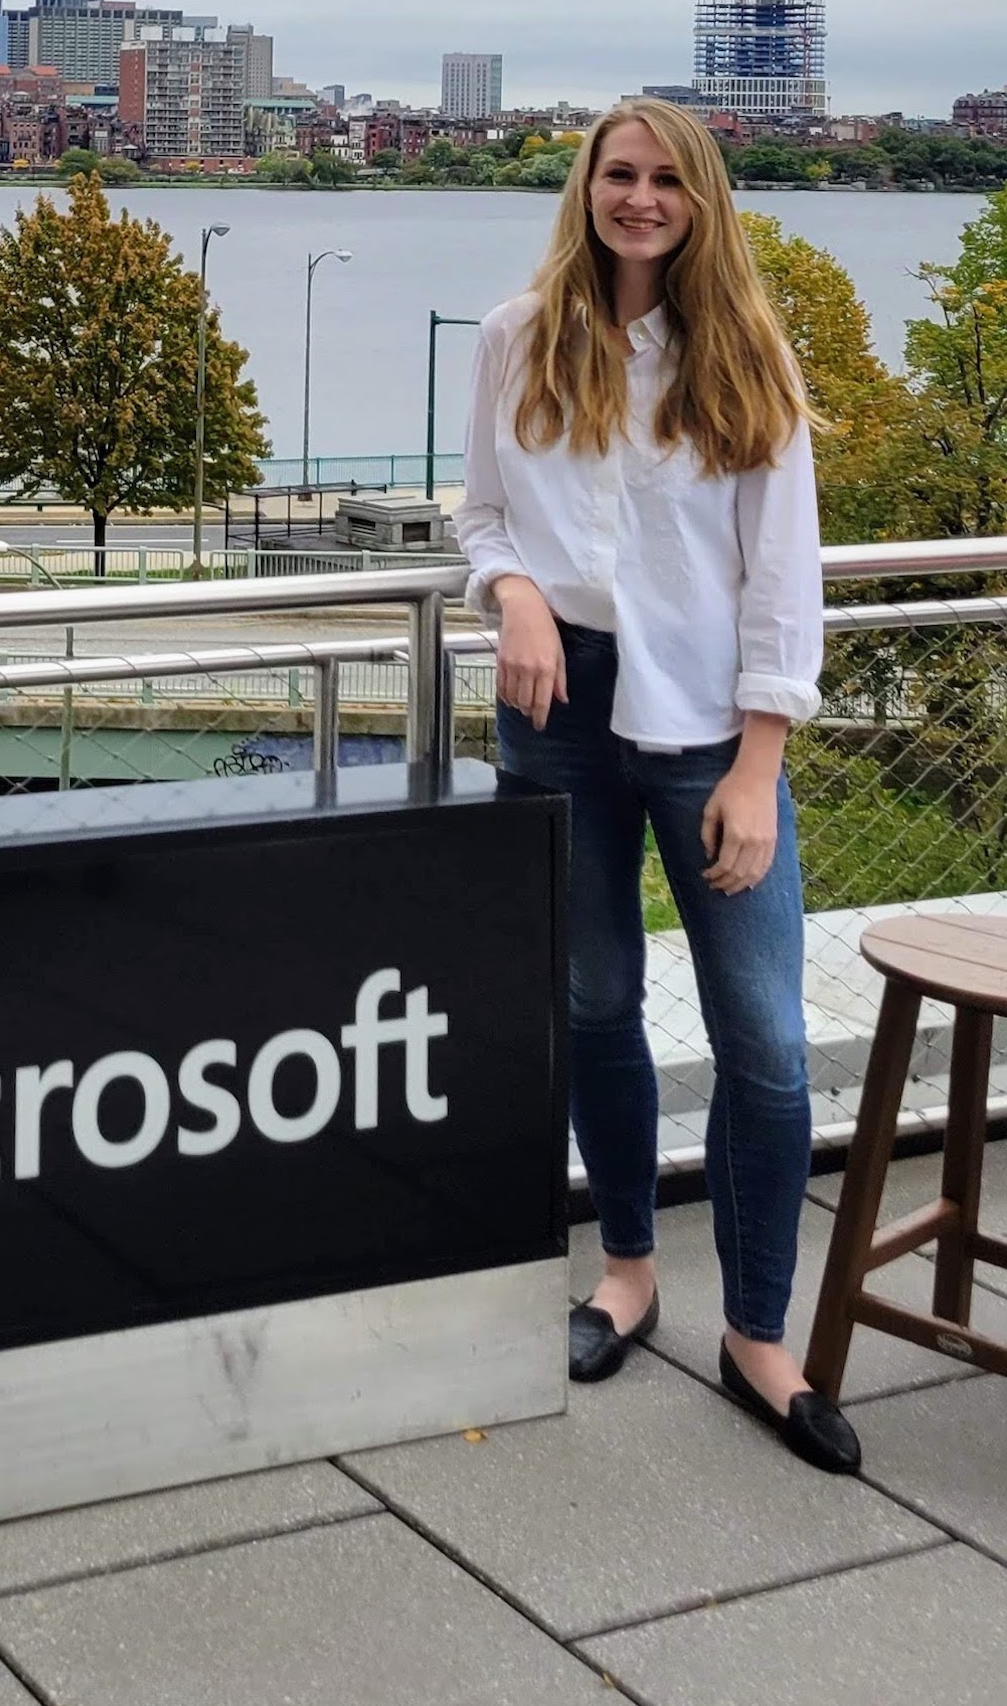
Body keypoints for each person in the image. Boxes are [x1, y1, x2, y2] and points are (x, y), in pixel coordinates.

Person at [457, 96, 857, 1475]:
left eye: (665, 180)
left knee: (764, 1036)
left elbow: (783, 579)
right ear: (589, 187)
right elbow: (484, 510)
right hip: (556, 703)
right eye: (619, 175)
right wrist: (509, 590)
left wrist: (760, 760)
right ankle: (627, 1266)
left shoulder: (745, 352)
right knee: (592, 997)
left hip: (705, 723)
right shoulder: (519, 337)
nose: (639, 198)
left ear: (700, 200)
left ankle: (760, 1329)